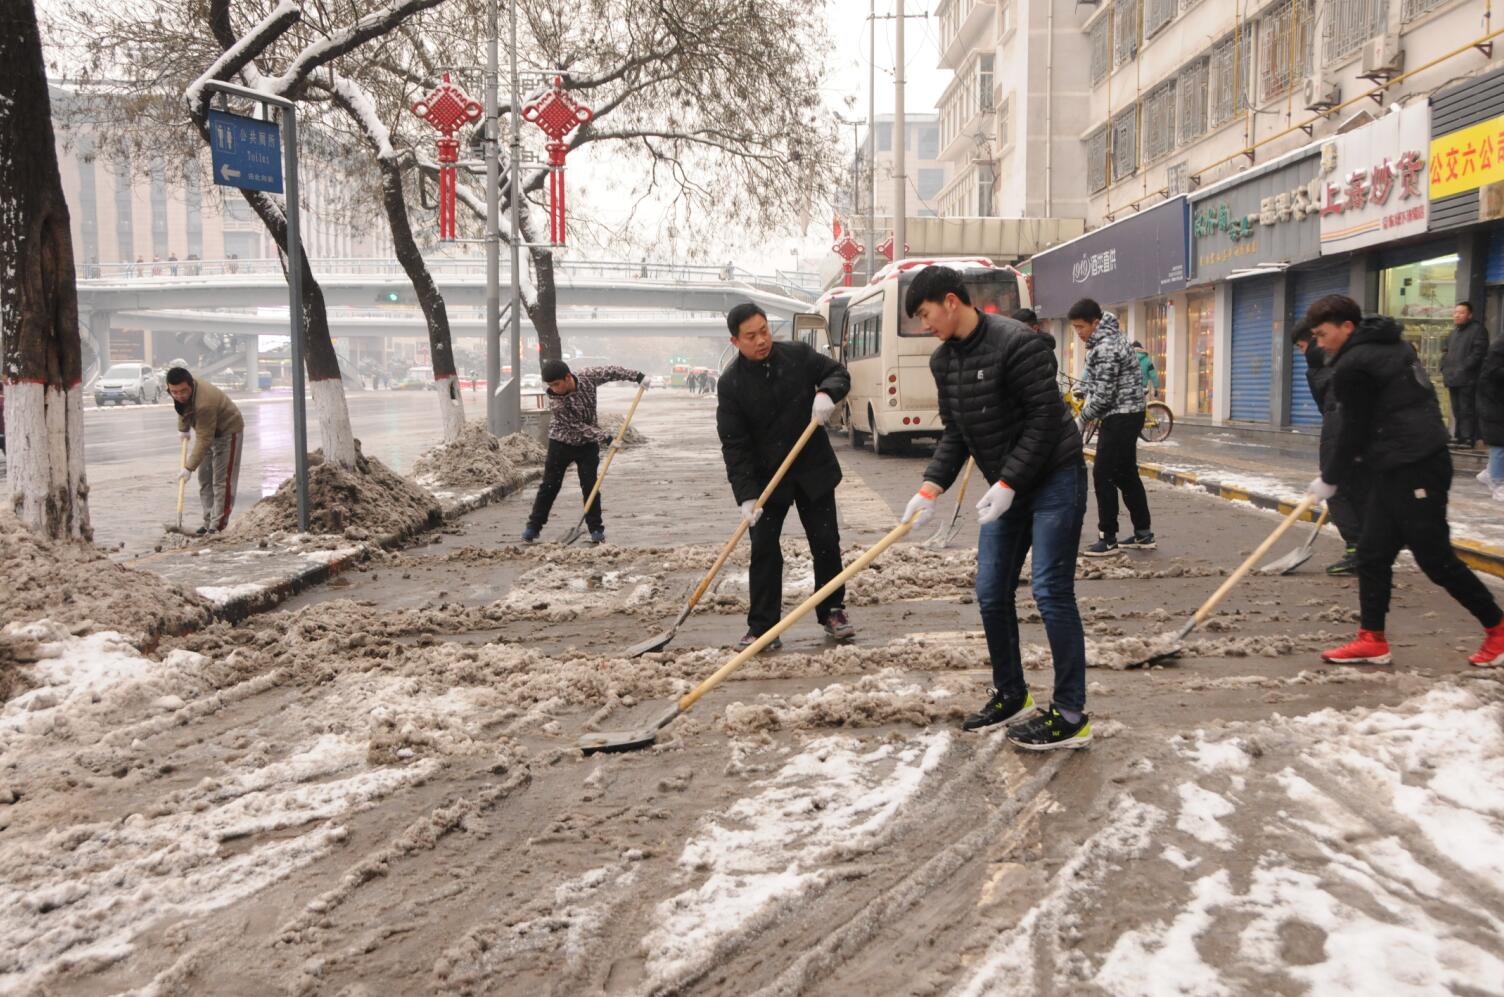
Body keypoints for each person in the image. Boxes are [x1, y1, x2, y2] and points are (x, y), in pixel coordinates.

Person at [901, 266, 1091, 750]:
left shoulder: (1016, 343)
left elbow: (1044, 421)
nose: (925, 325)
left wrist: (1008, 482)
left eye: (925, 314)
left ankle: (1071, 714)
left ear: (950, 301)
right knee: (990, 592)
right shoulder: (944, 362)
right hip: (1008, 487)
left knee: (1050, 591)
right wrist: (930, 487)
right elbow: (957, 433)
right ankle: (1012, 693)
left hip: (1055, 477)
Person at [1304, 294, 1504, 668]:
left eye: (1322, 334)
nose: (1320, 343)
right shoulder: (1391, 344)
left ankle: (1498, 629)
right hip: (1400, 463)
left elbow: (1353, 427)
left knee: (1435, 558)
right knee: (1372, 554)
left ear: (1347, 327)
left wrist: (1331, 478)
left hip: (1415, 466)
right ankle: (1371, 639)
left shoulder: (1355, 365)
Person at [718, 301, 855, 651]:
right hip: (767, 480)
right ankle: (763, 627)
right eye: (751, 336)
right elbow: (734, 444)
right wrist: (747, 496)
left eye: (764, 331)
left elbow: (838, 373)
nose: (761, 340)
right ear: (735, 341)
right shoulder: (731, 384)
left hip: (812, 470)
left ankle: (832, 610)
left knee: (826, 542)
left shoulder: (798, 355)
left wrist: (826, 392)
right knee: (764, 550)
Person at [522, 359, 646, 544]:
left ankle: (596, 529)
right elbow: (576, 427)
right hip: (561, 443)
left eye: (556, 384)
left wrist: (637, 376)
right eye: (550, 385)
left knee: (590, 486)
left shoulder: (588, 376)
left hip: (587, 446)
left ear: (568, 377)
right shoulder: (556, 402)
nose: (553, 389)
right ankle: (533, 527)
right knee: (549, 486)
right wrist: (606, 438)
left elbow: (611, 371)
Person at [1070, 299, 1153, 556]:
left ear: (1096, 323)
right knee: (1125, 473)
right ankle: (1143, 533)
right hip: (1128, 413)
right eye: (1075, 327)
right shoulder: (1109, 340)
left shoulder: (1106, 347)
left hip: (1121, 416)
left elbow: (1105, 396)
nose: (1078, 332)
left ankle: (1108, 538)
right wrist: (1085, 390)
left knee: (1103, 474)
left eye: (1081, 327)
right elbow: (1099, 383)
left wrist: (1082, 419)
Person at [1292, 322, 1363, 574]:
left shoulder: (1321, 363)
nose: (1303, 352)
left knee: (1336, 487)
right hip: (1363, 429)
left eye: (1301, 346)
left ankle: (1357, 551)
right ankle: (1368, 548)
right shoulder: (1349, 357)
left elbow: (1328, 405)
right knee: (1357, 486)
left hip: (1341, 426)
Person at [166, 367, 245, 535]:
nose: (179, 395)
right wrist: (183, 428)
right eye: (174, 392)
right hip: (208, 430)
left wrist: (189, 467)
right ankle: (208, 521)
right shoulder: (179, 393)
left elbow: (204, 439)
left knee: (221, 481)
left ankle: (218, 526)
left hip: (227, 431)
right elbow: (182, 408)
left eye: (183, 391)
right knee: (205, 479)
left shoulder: (204, 403)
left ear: (191, 385)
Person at [1441, 301, 1487, 449]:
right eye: (1456, 312)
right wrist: (1444, 367)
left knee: (1467, 408)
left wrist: (1464, 367)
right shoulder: (1454, 332)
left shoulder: (1478, 330)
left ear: (1470, 315)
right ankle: (1458, 435)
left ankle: (1468, 437)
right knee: (1456, 409)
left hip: (1468, 377)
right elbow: (1445, 351)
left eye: (1461, 313)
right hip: (1452, 377)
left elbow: (1478, 353)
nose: (1457, 315)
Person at [1475, 317, 1504, 503]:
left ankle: (1490, 472)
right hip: (1494, 404)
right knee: (1499, 443)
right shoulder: (1499, 348)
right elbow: (1493, 374)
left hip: (1496, 403)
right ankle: (1498, 483)